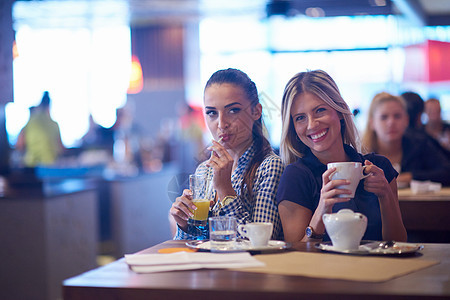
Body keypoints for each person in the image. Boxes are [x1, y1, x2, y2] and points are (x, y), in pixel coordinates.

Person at [276, 70, 407, 245]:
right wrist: (322, 210)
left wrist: (386, 196)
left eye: (320, 110)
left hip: (379, 270)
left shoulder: (379, 166)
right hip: (326, 272)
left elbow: (398, 243)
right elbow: (296, 255)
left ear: (339, 111)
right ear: (293, 127)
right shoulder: (295, 177)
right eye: (300, 118)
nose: (312, 124)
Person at [170, 68, 284, 240]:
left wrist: (225, 190)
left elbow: (260, 243)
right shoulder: (204, 170)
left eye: (233, 110)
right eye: (212, 113)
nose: (221, 124)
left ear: (256, 111)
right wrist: (185, 224)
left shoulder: (269, 166)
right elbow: (196, 245)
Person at [362, 92, 450, 186]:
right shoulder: (362, 153)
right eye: (384, 117)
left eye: (397, 116)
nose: (391, 122)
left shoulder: (419, 145)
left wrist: (411, 176)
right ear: (372, 123)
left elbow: (446, 172)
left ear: (406, 120)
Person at [16, 91, 64, 167]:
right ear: (49, 107)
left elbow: (19, 145)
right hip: (51, 166)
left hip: (32, 166)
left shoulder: (31, 121)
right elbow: (61, 148)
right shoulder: (54, 124)